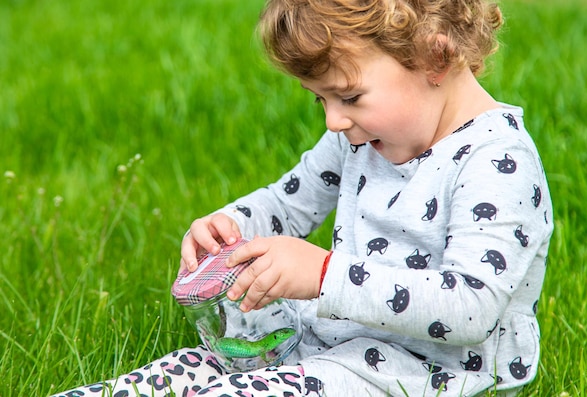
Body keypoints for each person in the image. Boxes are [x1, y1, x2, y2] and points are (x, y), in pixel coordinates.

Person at [52, 0, 553, 396]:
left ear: (435, 57)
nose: (334, 120)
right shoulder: (358, 138)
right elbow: (288, 203)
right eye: (322, 100)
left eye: (349, 97)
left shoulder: (494, 161)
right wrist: (232, 226)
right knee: (181, 372)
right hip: (332, 344)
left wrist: (322, 275)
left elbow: (470, 306)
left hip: (427, 373)